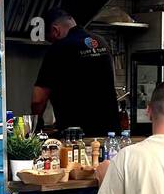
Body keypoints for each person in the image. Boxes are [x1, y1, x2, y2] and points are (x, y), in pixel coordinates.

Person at [30, 9, 120, 139]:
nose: (52, 42)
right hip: (111, 134)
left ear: (55, 30)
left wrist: (36, 123)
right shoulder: (102, 42)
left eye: (50, 39)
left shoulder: (58, 49)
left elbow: (38, 99)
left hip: (77, 137)